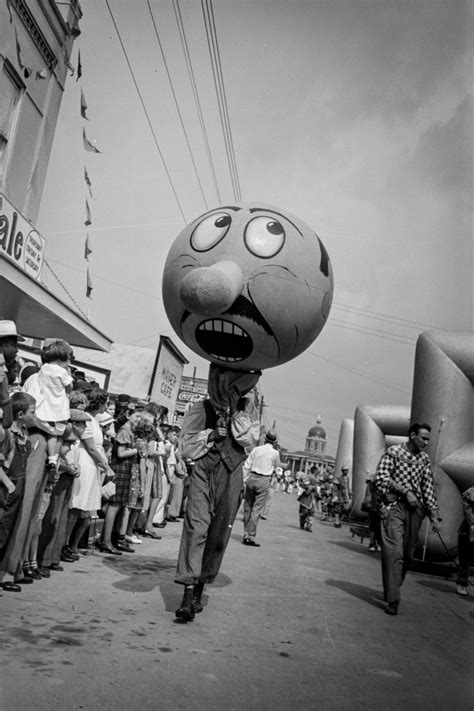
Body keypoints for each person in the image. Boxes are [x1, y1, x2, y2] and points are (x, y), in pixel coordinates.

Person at [174, 365, 260, 622]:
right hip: (204, 470)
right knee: (196, 527)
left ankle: (200, 587)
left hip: (231, 473)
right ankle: (188, 595)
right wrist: (210, 434)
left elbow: (248, 441)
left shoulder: (247, 410)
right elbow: (186, 446)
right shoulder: (202, 408)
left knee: (218, 533)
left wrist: (235, 413)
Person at [375, 423, 441, 616]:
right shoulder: (393, 452)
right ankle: (394, 599)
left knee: (407, 553)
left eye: (429, 439)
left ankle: (393, 585)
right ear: (413, 435)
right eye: (424, 438)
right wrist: (405, 491)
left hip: (415, 511)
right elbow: (381, 479)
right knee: (393, 552)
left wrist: (434, 515)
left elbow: (428, 487)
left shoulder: (424, 459)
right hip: (393, 507)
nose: (427, 443)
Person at [0, 392, 36, 592]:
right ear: (20, 414)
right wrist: (9, 485)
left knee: (9, 532)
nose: (35, 416)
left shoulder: (24, 434)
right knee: (1, 532)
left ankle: (3, 575)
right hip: (8, 488)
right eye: (33, 412)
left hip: (18, 487)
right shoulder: (8, 435)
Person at [35, 339, 74, 473]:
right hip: (60, 407)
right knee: (58, 434)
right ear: (61, 358)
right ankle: (54, 458)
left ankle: (51, 458)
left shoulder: (43, 369)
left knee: (50, 432)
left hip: (46, 405)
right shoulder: (62, 372)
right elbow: (69, 387)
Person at [242, 431, 281, 547]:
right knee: (257, 509)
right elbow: (277, 466)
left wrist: (244, 480)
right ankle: (251, 535)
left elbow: (247, 465)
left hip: (252, 477)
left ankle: (245, 533)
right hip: (264, 479)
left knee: (248, 507)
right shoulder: (275, 453)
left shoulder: (256, 450)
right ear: (274, 442)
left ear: (265, 439)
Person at [455, 486, 474, 596]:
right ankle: (462, 582)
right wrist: (472, 524)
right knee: (465, 557)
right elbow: (467, 509)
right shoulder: (471, 492)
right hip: (469, 529)